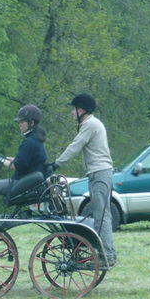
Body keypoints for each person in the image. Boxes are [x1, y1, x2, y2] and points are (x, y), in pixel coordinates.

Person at [54, 93, 117, 267]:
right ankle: (106, 254)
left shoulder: (90, 124)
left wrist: (56, 163)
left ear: (81, 109)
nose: (72, 113)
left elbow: (75, 146)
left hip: (100, 173)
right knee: (101, 215)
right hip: (98, 173)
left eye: (73, 110)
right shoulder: (92, 123)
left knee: (101, 216)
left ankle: (108, 257)